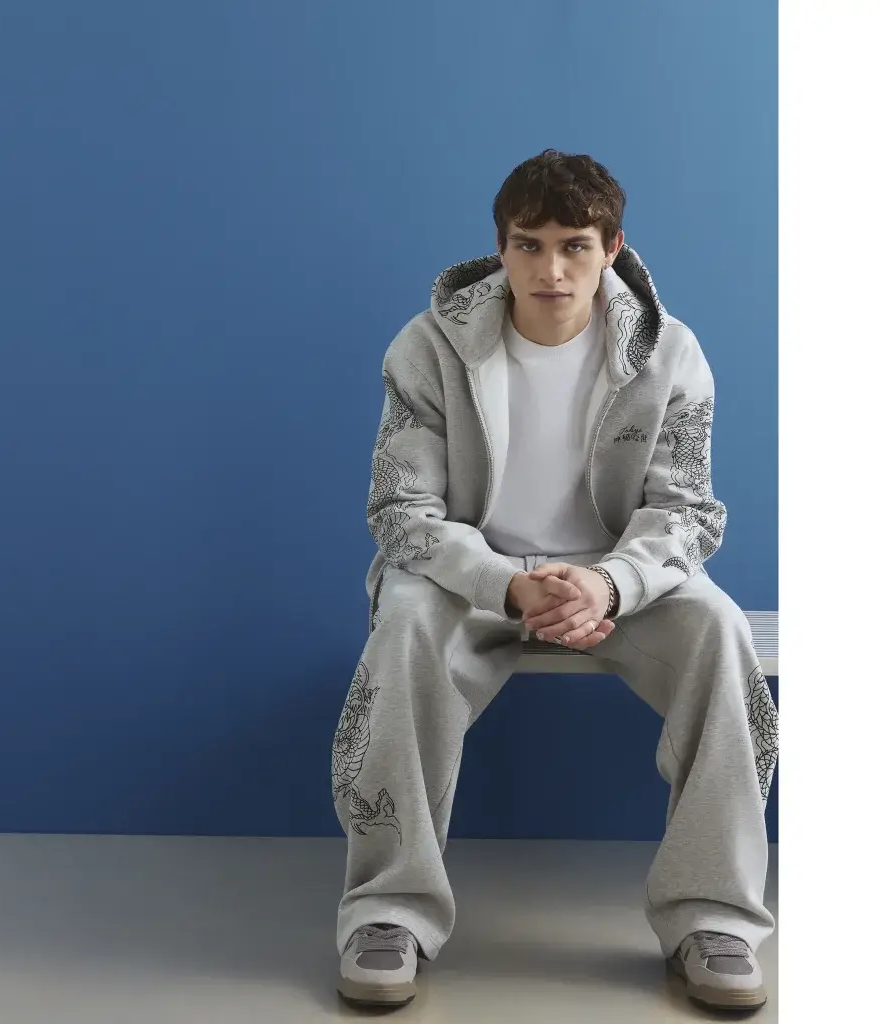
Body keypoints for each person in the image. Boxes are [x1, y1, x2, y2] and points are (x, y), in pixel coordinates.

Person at [331, 150, 779, 1013]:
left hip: (616, 580)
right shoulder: (427, 348)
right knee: (405, 623)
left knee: (718, 631)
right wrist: (504, 583)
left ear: (613, 247)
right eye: (528, 245)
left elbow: (687, 514)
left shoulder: (669, 353)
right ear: (500, 248)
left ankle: (713, 914)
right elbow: (401, 511)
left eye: (573, 245)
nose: (550, 269)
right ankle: (388, 911)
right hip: (470, 579)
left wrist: (608, 585)